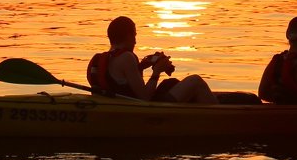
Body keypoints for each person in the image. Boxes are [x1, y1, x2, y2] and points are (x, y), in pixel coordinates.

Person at [87, 15, 218, 104]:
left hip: (119, 105)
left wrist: (141, 67)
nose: (135, 42)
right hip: (145, 110)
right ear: (129, 36)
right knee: (195, 81)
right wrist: (156, 72)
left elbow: (121, 84)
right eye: (134, 36)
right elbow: (145, 97)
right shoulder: (127, 58)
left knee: (170, 83)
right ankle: (220, 116)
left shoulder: (98, 59)